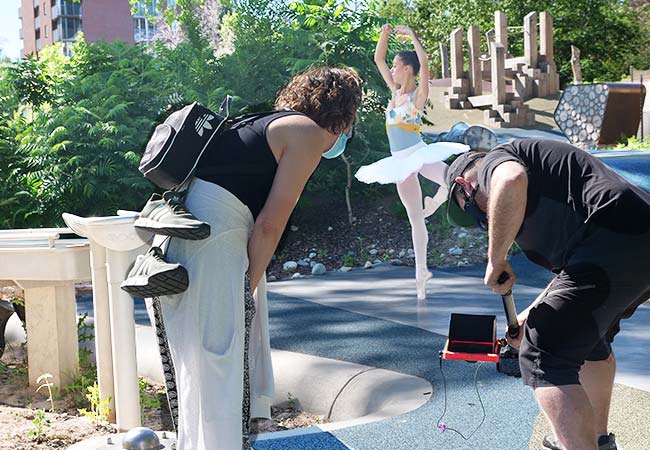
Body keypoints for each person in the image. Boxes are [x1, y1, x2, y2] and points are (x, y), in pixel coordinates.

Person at [157, 66, 362, 450]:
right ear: (342, 112)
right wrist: (245, 286)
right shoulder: (308, 134)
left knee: (196, 365)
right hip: (216, 242)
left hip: (181, 237)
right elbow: (270, 224)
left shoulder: (262, 120)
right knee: (221, 363)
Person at [444, 139, 650, 450]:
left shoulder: (495, 163)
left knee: (543, 353)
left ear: (465, 186)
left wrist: (496, 258)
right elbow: (572, 277)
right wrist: (528, 315)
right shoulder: (539, 195)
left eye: (470, 211)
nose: (482, 222)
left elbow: (510, 178)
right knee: (589, 339)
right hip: (629, 238)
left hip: (612, 236)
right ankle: (597, 440)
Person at [355, 24, 467, 300]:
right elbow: (378, 59)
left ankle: (438, 201)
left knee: (454, 180)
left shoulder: (418, 95)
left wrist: (414, 36)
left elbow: (425, 62)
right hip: (399, 162)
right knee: (416, 219)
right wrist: (385, 33)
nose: (391, 69)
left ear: (407, 69)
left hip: (418, 153)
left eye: (396, 66)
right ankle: (421, 272)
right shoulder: (395, 92)